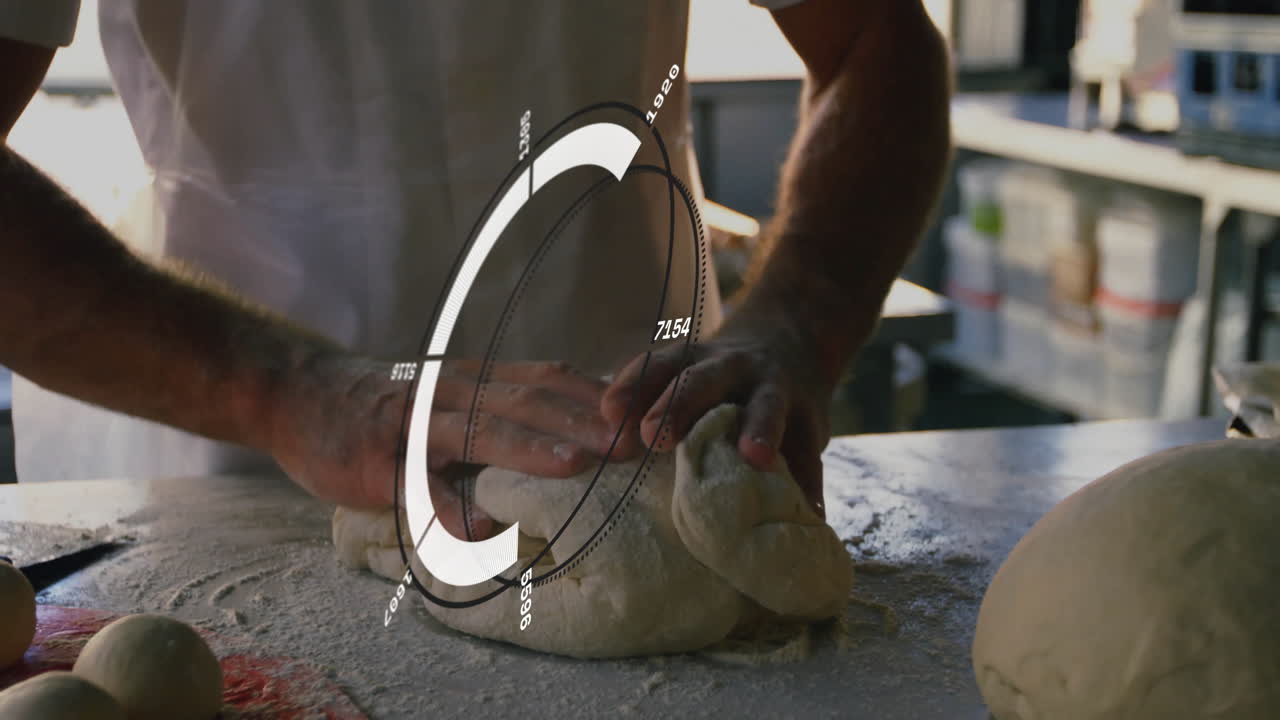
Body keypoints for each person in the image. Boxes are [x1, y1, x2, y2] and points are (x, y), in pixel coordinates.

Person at [0, 0, 950, 537]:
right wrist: (286, 390)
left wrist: (792, 319)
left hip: (643, 454)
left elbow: (875, 39)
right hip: (243, 461)